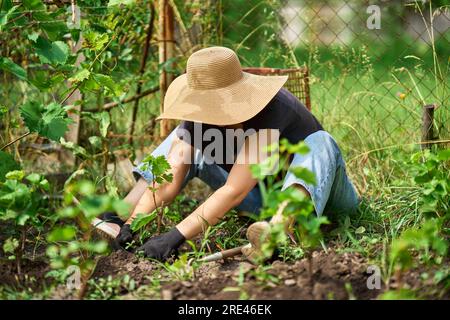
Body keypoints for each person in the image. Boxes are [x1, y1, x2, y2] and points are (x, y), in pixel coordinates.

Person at [93, 46, 359, 262]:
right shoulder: (197, 114)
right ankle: (119, 217)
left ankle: (277, 231)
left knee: (320, 142)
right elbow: (169, 178)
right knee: (179, 140)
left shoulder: (272, 108)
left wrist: (175, 236)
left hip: (322, 200)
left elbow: (234, 190)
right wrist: (135, 225)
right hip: (259, 202)